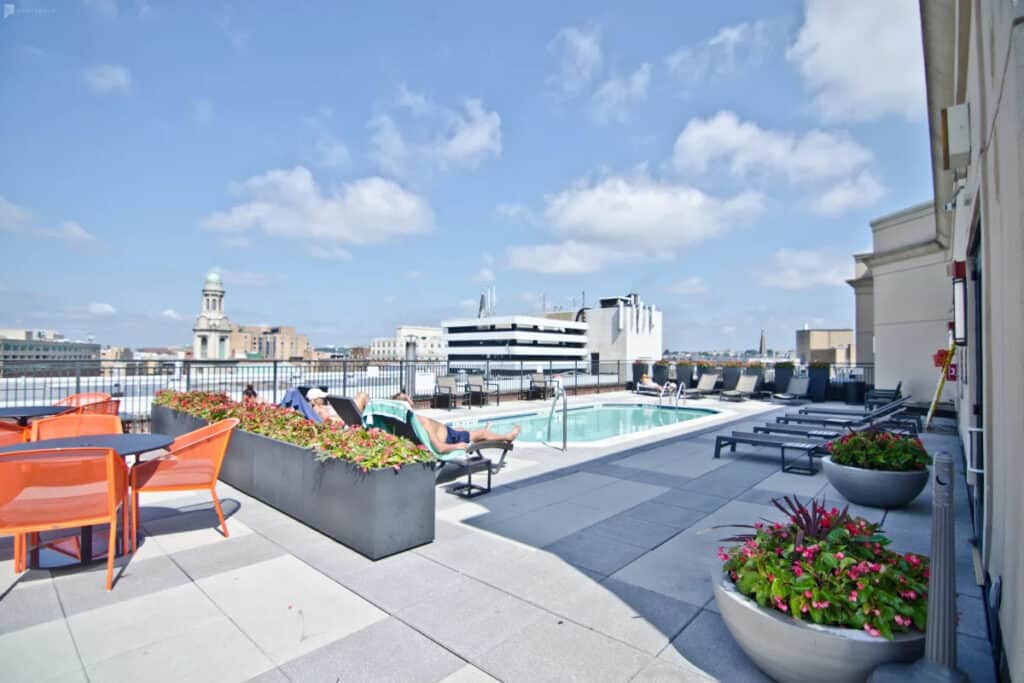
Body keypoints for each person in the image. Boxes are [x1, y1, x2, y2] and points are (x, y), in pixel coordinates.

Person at [389, 392, 520, 454]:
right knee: (481, 433)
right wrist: (457, 446)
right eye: (407, 397)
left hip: (449, 433)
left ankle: (483, 434)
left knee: (461, 429)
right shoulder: (422, 422)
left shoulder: (402, 422)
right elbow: (440, 448)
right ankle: (507, 437)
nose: (409, 397)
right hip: (451, 439)